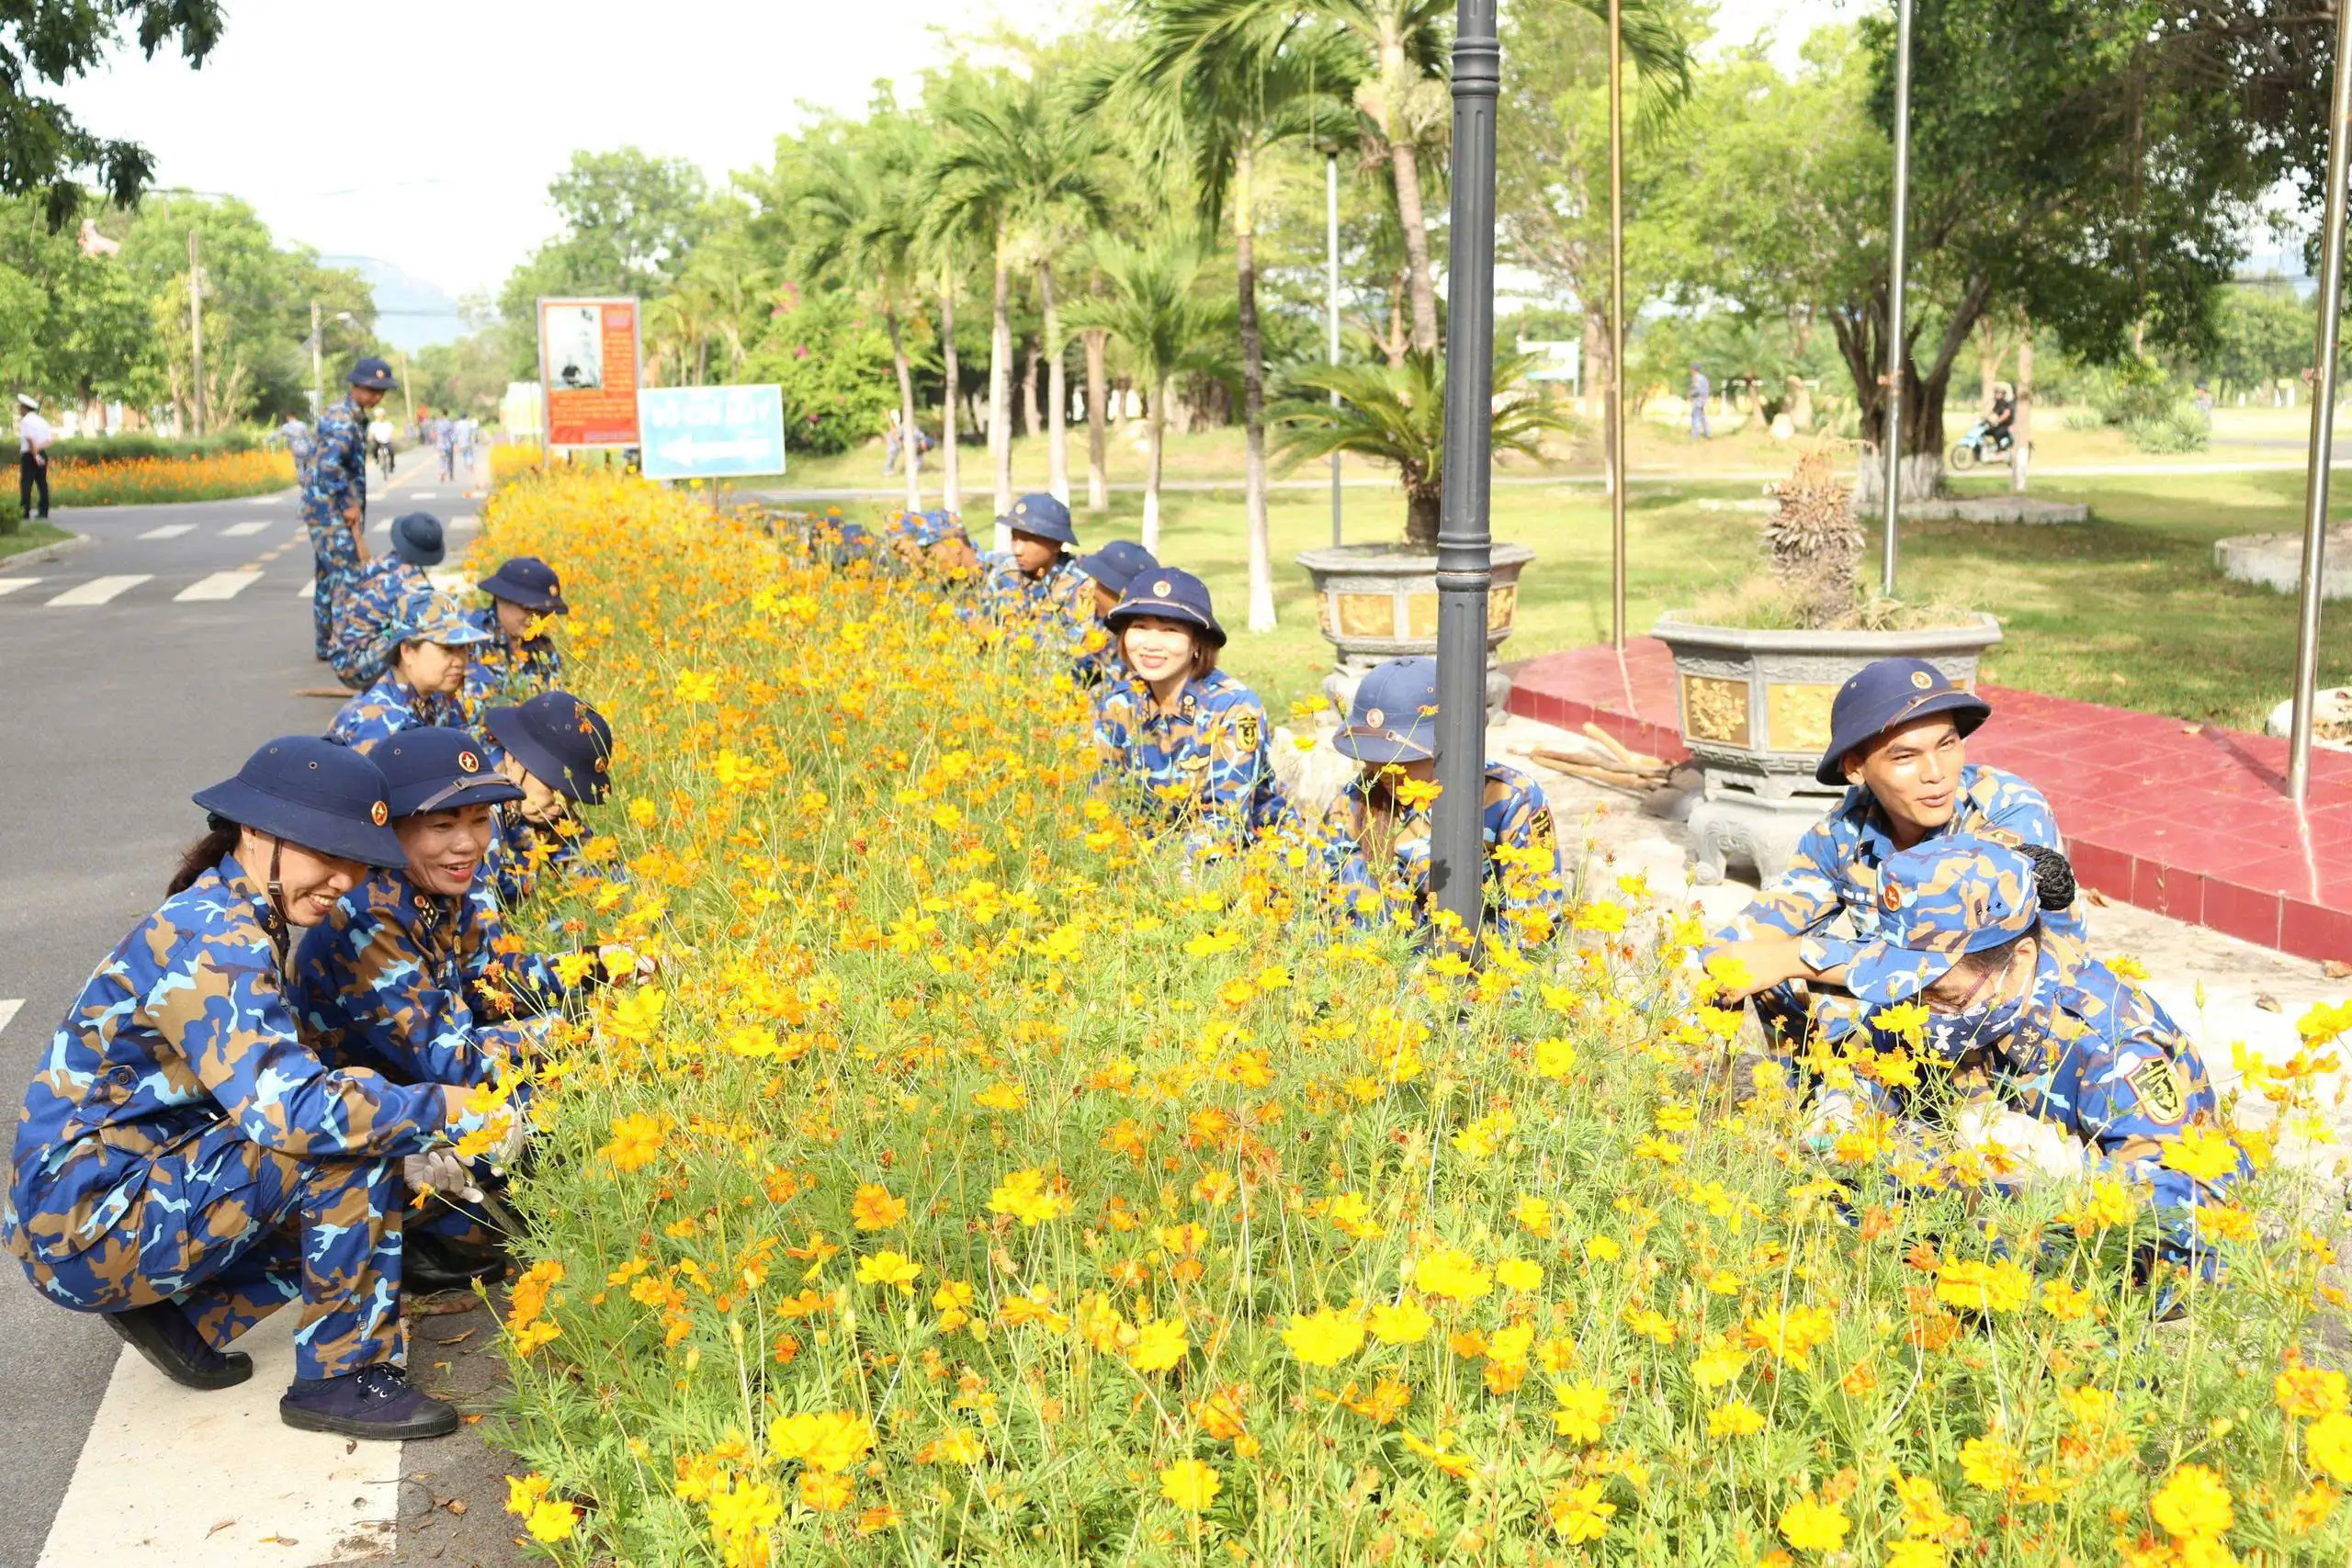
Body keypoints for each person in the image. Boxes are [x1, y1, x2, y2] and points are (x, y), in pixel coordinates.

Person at [1, 736, 500, 1438]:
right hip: (89, 1222)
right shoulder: (214, 938)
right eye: (327, 853)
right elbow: (293, 1114)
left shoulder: (238, 913)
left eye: (356, 859)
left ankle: (188, 1316)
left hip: (100, 1197)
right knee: (343, 1132)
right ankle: (341, 1375)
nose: (345, 878)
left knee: (361, 1113)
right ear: (258, 832)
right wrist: (441, 1110)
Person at [1832, 836, 2245, 1292]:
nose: (1920, 1012)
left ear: (2019, 960)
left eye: (1941, 997)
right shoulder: (1932, 992)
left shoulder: (2111, 1040)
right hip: (1979, 1217)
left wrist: (2071, 1174)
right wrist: (1844, 1114)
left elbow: (2203, 1203)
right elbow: (1861, 1092)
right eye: (1909, 993)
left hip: (2100, 1261)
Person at [288, 730, 567, 1290]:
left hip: (411, 1088)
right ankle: (420, 1238)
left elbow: (489, 985)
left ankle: (458, 1230)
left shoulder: (434, 888)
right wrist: (567, 1036)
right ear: (391, 828)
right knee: (559, 1102)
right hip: (366, 1129)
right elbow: (454, 1061)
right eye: (443, 825)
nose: (468, 843)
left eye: (480, 821)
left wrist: (592, 971)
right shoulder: (372, 915)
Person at [1707, 657, 2080, 1052]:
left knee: (1795, 968)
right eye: (1905, 757)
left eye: (1947, 744)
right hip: (1913, 998)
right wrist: (1716, 961)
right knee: (1766, 975)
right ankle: (1802, 1102)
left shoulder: (2004, 813)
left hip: (2013, 1012)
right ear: (1855, 768)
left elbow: (1954, 967)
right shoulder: (1846, 829)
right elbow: (1770, 918)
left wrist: (1795, 955)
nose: (1936, 772)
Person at [1310, 656, 1566, 947]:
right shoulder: (1356, 800)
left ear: (1448, 746)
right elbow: (1326, 912)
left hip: (1485, 968)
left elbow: (1532, 929)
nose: (1383, 767)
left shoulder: (1510, 800)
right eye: (1374, 754)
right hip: (1391, 968)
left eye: (1398, 757)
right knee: (1353, 876)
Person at [1093, 569, 1288, 852]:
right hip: (1146, 858)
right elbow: (1103, 800)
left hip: (1240, 857)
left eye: (1170, 630)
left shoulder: (1234, 708)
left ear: (1197, 642)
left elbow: (1226, 823)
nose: (1151, 644)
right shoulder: (1118, 705)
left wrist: (1158, 869)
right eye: (1140, 626)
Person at [479, 691, 618, 909]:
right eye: (555, 788)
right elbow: (480, 921)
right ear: (514, 759)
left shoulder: (542, 807)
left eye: (571, 797)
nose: (562, 804)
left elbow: (599, 872)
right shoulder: (475, 808)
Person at [304, 358, 396, 661]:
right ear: (357, 385)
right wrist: (348, 504)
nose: (377, 397)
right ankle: (346, 649)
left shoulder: (352, 416)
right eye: (373, 390)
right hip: (331, 510)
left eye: (381, 391)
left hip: (327, 510)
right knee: (348, 578)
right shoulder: (342, 419)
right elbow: (329, 466)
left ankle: (326, 645)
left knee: (328, 577)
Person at [328, 592, 490, 748]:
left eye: (463, 648)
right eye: (447, 649)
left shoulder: (435, 695)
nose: (459, 661)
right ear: (408, 652)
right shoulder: (380, 720)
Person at [327, 513, 446, 689]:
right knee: (423, 634)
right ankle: (405, 692)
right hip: (357, 669)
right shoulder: (416, 589)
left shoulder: (381, 562)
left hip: (339, 655)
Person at [978, 492, 1091, 648]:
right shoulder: (1004, 573)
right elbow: (982, 623)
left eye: (1028, 539)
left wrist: (1008, 639)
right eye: (1014, 537)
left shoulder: (1078, 585)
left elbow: (1073, 649)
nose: (1017, 549)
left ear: (1056, 544)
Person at [463, 556, 567, 716]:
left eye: (541, 612)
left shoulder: (544, 648)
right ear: (500, 598)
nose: (534, 619)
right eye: (527, 609)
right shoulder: (469, 638)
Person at [1069, 537, 1157, 689]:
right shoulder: (1102, 627)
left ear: (1119, 594)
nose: (1089, 589)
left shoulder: (1139, 650)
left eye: (1097, 584)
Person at [15, 392, 52, 520]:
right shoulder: (42, 421)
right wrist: (39, 452)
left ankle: (25, 512)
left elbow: (30, 440)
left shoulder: (26, 421)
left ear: (25, 408)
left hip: (30, 454)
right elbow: (50, 440)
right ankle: (44, 511)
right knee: (42, 483)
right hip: (41, 453)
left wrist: (35, 455)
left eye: (20, 408)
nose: (19, 410)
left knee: (26, 483)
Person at [1985, 383, 2017, 452]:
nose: (1997, 395)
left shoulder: (2006, 403)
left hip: (2007, 425)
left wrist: (1998, 421)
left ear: (2002, 394)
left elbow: (2006, 414)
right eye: (1996, 393)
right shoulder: (1997, 403)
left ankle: (2000, 449)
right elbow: (1992, 412)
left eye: (1999, 393)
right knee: (1987, 431)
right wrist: (1985, 418)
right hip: (1999, 424)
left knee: (1997, 433)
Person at [367, 411, 396, 481]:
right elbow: (370, 433)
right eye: (379, 416)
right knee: (374, 449)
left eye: (381, 416)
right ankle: (376, 459)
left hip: (387, 441)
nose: (380, 417)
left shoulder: (388, 424)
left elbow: (392, 431)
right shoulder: (373, 424)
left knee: (391, 451)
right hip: (378, 441)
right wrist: (369, 437)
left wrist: (392, 436)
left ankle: (392, 465)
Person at [1688, 365, 1712, 440]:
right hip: (1703, 400)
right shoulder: (1704, 378)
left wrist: (1690, 394)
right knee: (1702, 417)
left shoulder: (1696, 378)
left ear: (1694, 370)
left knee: (1695, 417)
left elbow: (1697, 390)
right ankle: (1708, 433)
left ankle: (1695, 436)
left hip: (1697, 400)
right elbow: (1706, 389)